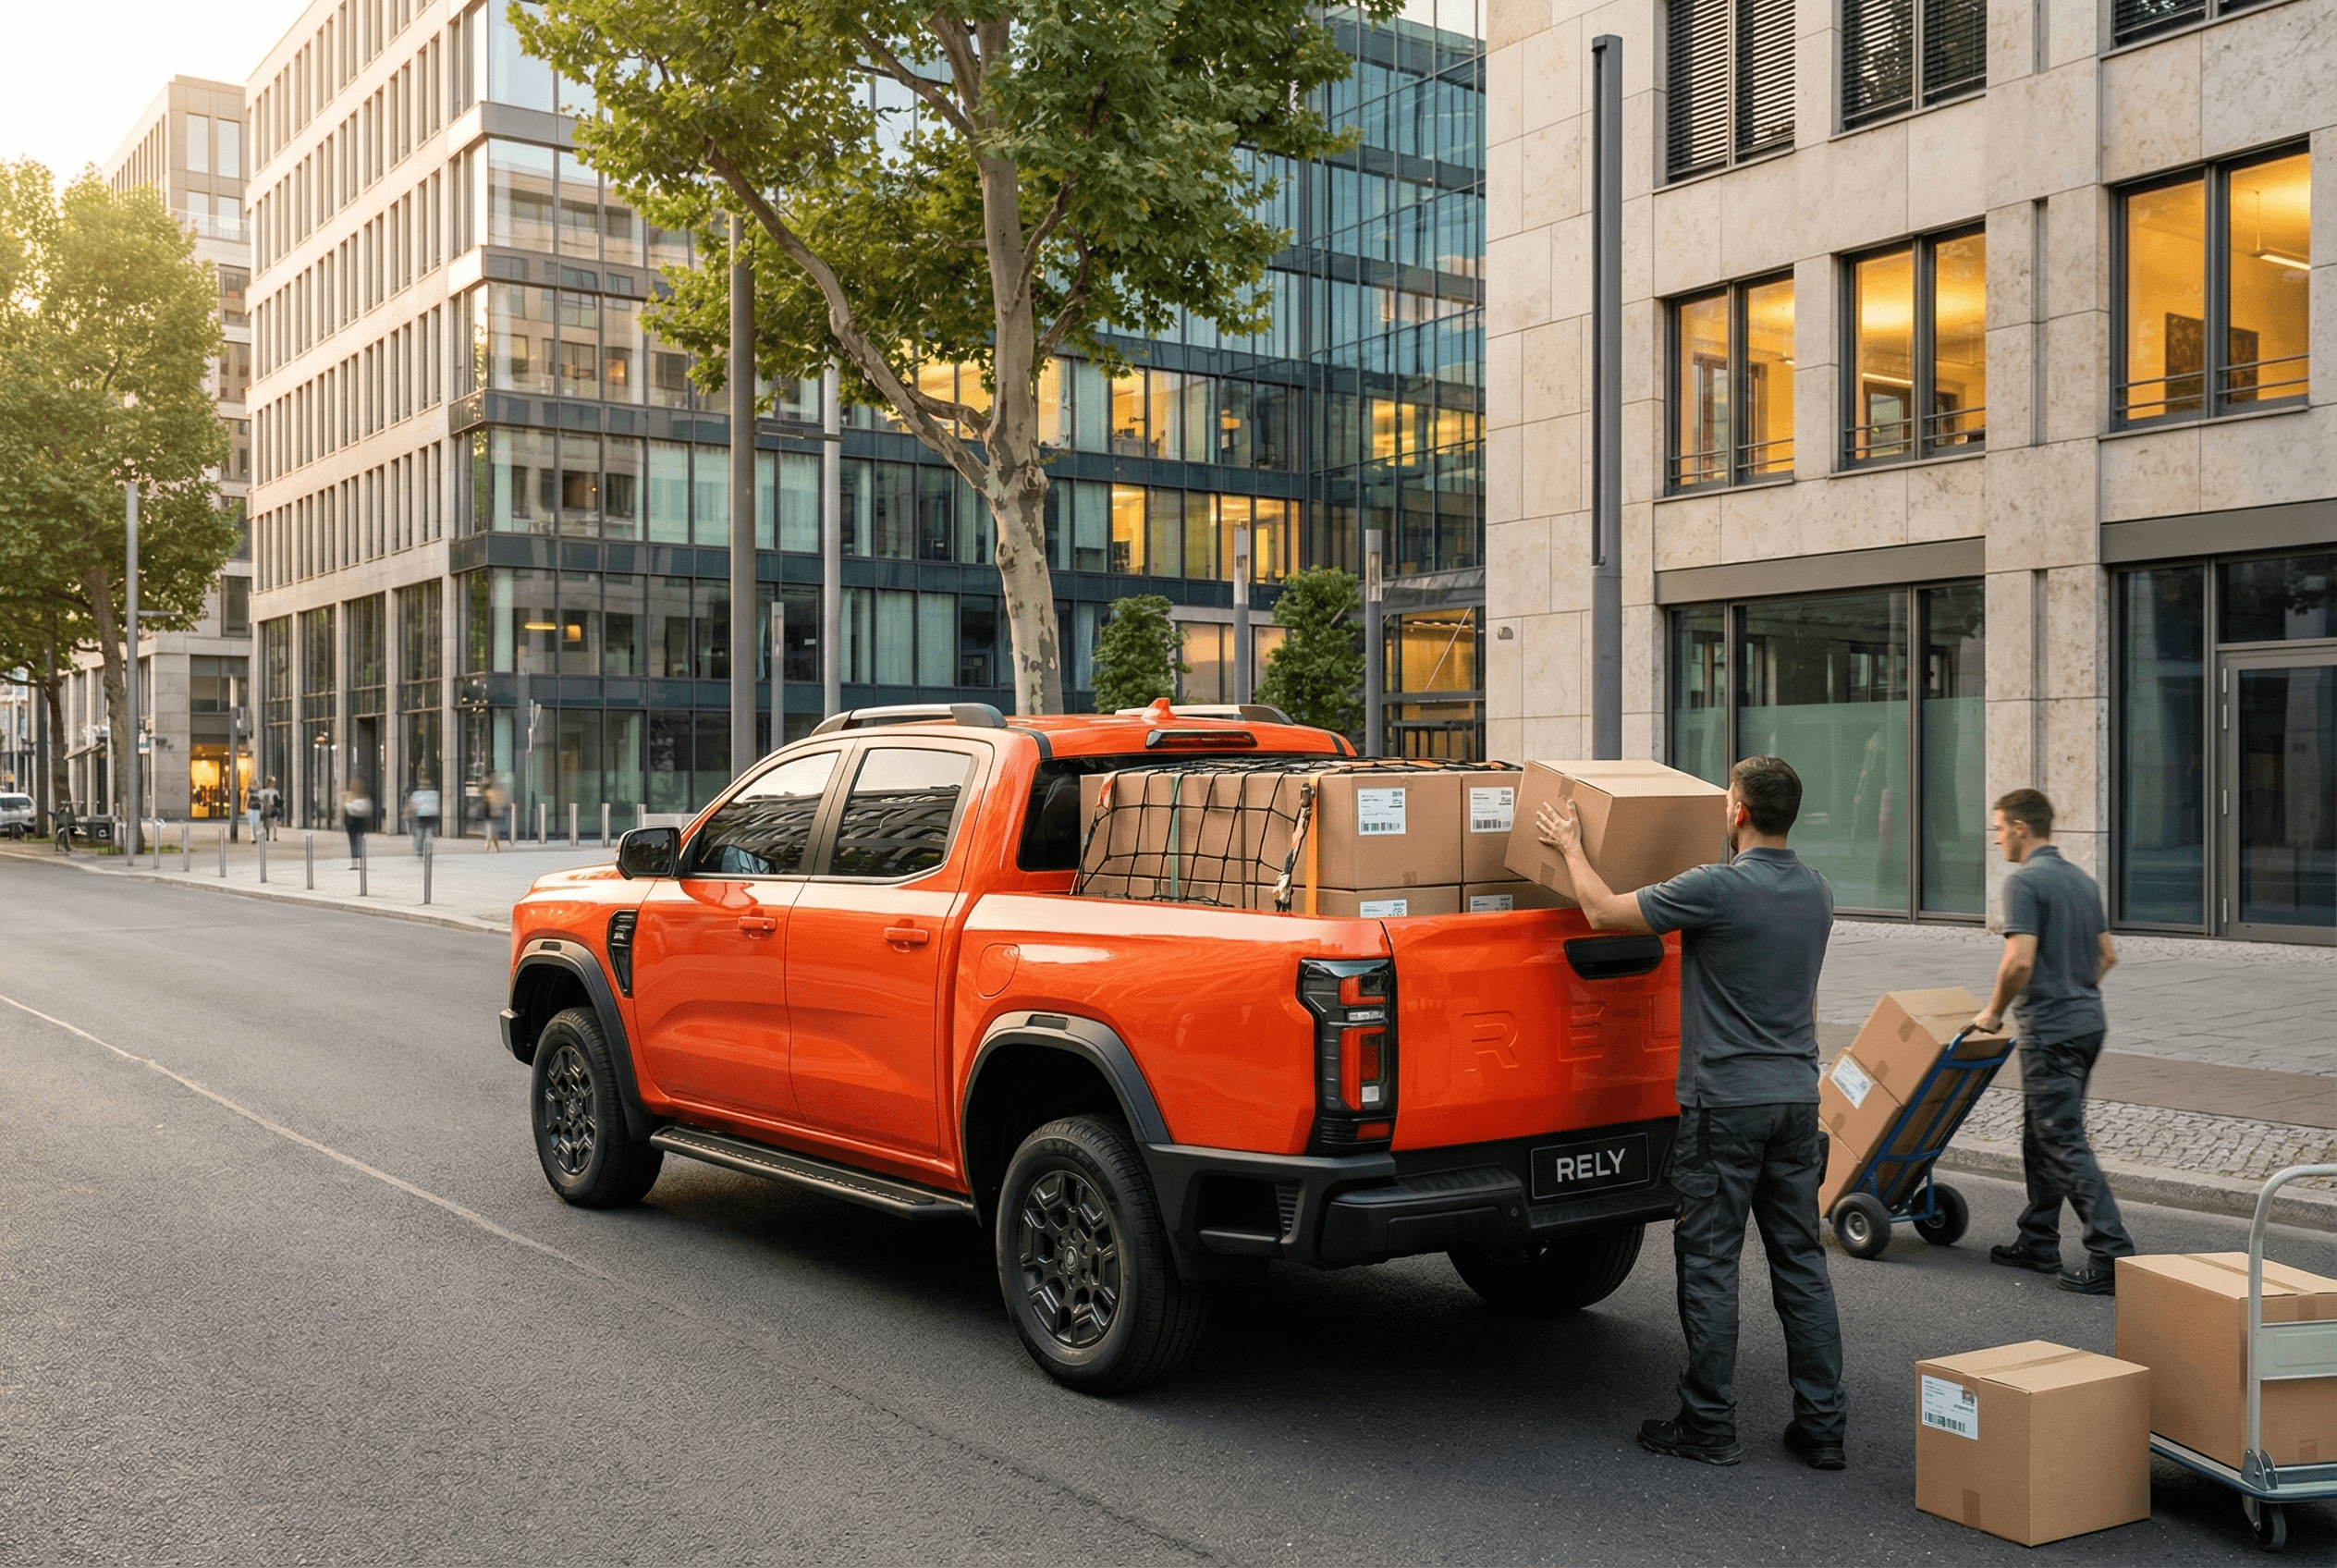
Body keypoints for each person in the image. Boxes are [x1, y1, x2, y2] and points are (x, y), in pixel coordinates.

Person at [1538, 755, 1847, 1471]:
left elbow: (1604, 914)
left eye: (1727, 798)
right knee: (1800, 1262)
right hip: (1797, 1099)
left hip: (1724, 1105)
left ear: (1737, 811)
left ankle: (1708, 1423)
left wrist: (1571, 848)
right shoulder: (1818, 891)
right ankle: (1823, 1427)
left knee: (1710, 1263)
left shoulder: (1717, 889)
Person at [1970, 789, 2135, 1295]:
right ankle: (2037, 1239)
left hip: (2053, 1032)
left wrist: (1994, 1012)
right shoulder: (2081, 880)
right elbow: (2106, 955)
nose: (1996, 837)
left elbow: (2019, 960)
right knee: (2040, 1133)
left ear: (2022, 827)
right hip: (2088, 1023)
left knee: (2061, 1138)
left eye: (1999, 827)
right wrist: (2075, 991)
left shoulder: (2025, 882)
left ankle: (2111, 1253)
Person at [342, 779, 373, 869]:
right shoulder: (353, 796)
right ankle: (356, 862)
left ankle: (356, 862)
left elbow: (351, 808)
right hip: (355, 821)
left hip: (356, 821)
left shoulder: (356, 797)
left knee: (357, 842)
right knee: (356, 842)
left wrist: (353, 808)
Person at [409, 773, 441, 857]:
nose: (425, 786)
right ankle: (419, 851)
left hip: (430, 817)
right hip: (419, 817)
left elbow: (437, 805)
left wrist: (437, 813)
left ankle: (427, 851)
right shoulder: (417, 794)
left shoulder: (433, 794)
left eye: (427, 784)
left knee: (428, 836)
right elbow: (412, 805)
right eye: (423, 784)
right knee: (420, 836)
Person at [482, 773, 508, 852]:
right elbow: (501, 802)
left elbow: (491, 802)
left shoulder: (490, 792)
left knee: (492, 831)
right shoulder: (498, 791)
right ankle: (493, 846)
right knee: (493, 831)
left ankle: (490, 844)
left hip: (492, 814)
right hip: (496, 813)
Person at [256, 777, 282, 841]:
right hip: (267, 808)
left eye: (272, 782)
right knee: (267, 823)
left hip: (273, 808)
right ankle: (267, 836)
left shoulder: (275, 791)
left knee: (274, 823)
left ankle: (274, 836)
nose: (270, 783)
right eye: (269, 782)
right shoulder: (265, 791)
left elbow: (278, 800)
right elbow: (260, 798)